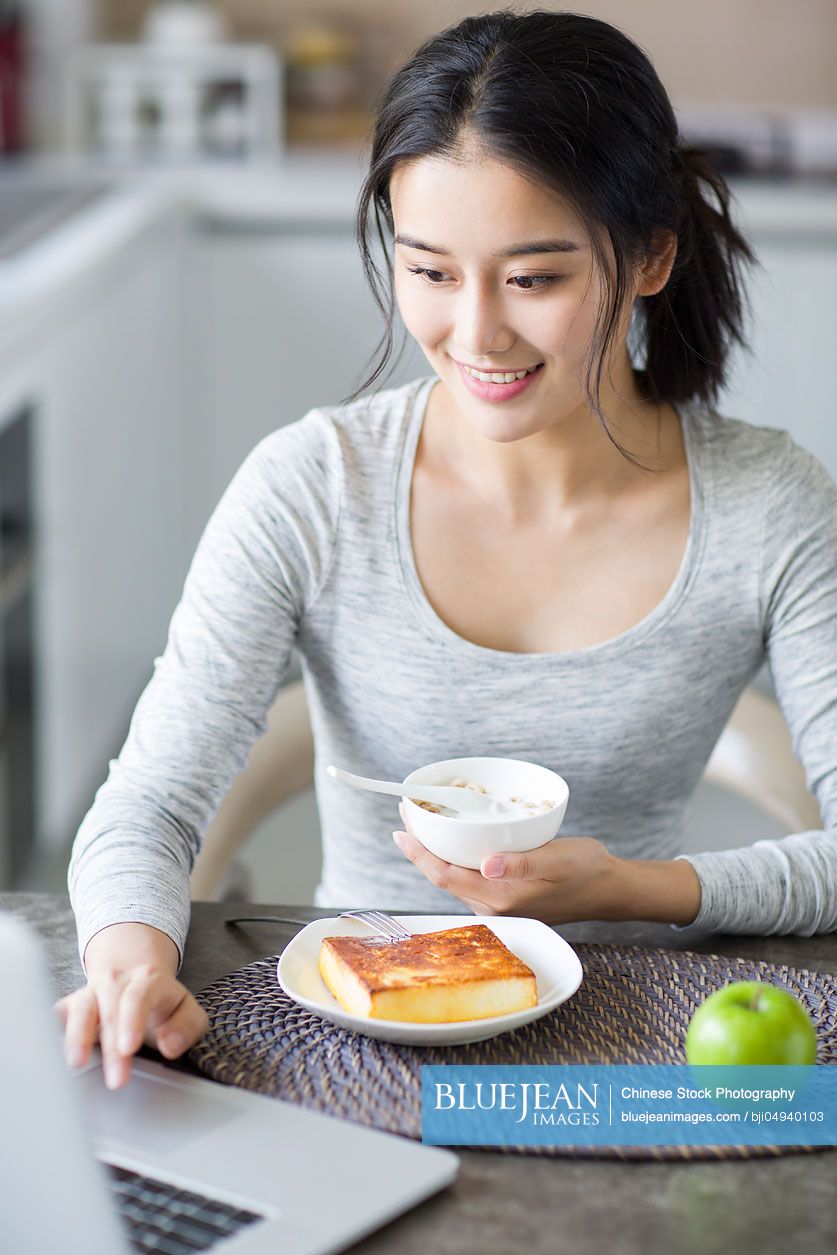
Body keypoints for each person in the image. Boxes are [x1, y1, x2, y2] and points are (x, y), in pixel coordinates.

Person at [58, 10, 836, 1090]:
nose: (476, 336)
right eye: (430, 271)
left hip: (635, 1060)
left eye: (534, 279)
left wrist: (633, 887)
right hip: (346, 1046)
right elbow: (149, 801)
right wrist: (128, 960)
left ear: (653, 254)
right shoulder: (313, 484)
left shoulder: (771, 506)